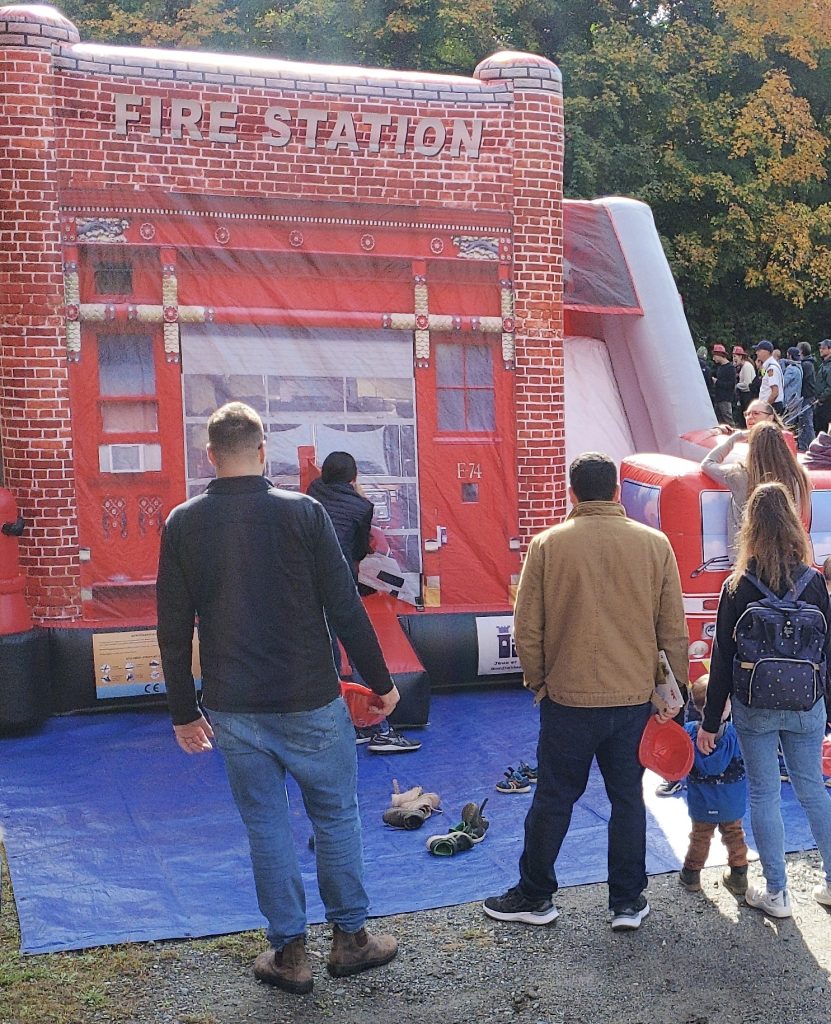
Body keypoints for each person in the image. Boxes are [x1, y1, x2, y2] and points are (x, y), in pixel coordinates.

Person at [156, 402, 399, 995]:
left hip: (233, 707)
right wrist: (382, 682)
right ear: (265, 451)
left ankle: (290, 954)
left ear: (209, 456)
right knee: (337, 814)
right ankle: (350, 940)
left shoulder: (183, 523)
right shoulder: (305, 514)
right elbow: (345, 607)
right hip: (310, 697)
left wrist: (184, 712)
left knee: (265, 824)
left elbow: (171, 625)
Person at [482, 452, 689, 932]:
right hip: (635, 699)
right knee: (628, 800)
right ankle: (627, 901)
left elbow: (526, 627)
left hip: (568, 699)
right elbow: (672, 631)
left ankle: (535, 895)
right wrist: (670, 699)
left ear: (572, 493)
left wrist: (539, 683)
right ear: (617, 492)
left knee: (554, 798)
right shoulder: (654, 545)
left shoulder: (548, 544)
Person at [698, 482, 831, 918]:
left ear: (749, 527)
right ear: (794, 523)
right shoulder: (815, 584)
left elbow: (722, 660)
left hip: (754, 706)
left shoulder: (738, 586)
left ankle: (777, 892)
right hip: (807, 704)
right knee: (813, 791)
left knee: (764, 794)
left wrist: (711, 722)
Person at [307, 451, 420, 754]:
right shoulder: (361, 506)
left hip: (306, 584)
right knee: (358, 646)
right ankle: (369, 724)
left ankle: (338, 723)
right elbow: (359, 550)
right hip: (339, 581)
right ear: (354, 479)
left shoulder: (311, 495)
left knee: (328, 648)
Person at [701, 418, 810, 561]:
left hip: (748, 556)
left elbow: (707, 463)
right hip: (789, 551)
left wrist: (734, 438)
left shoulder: (739, 474)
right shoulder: (797, 475)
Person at [678, 676, 748, 896]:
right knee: (734, 835)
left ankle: (691, 875)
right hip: (732, 801)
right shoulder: (738, 734)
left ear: (697, 707)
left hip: (701, 800)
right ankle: (738, 876)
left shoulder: (688, 732)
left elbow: (676, 758)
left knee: (700, 836)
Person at [755, 340, 784, 415]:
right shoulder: (767, 366)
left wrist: (766, 407)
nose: (756, 353)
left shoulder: (772, 368)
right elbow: (762, 379)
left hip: (772, 405)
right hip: (770, 405)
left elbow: (775, 392)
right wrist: (760, 368)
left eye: (759, 350)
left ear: (766, 352)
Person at [797, 341, 816, 451]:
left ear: (801, 351)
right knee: (803, 421)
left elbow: (802, 379)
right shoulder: (808, 364)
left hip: (807, 396)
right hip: (806, 396)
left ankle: (813, 445)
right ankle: (803, 445)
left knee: (807, 422)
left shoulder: (806, 365)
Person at [710, 344, 736, 426]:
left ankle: (735, 436)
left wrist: (717, 382)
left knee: (728, 420)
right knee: (719, 421)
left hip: (725, 399)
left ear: (719, 355)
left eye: (714, 356)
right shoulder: (720, 367)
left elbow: (731, 385)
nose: (713, 359)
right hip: (718, 398)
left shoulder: (730, 368)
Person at [733, 346, 756, 427]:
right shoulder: (743, 367)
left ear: (740, 356)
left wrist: (736, 385)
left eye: (735, 356)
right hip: (745, 396)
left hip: (747, 396)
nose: (733, 359)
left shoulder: (746, 367)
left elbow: (747, 384)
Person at [813, 339, 831, 435]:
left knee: (823, 432)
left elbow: (830, 387)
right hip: (822, 404)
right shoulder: (824, 364)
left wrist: (821, 398)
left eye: (823, 348)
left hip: (826, 405)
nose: (821, 350)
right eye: (820, 348)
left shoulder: (829, 366)